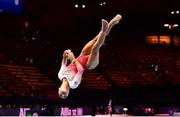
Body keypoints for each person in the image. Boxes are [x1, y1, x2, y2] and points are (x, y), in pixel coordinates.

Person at [58, 14, 122, 99]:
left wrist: (64, 55)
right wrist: (73, 59)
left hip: (82, 56)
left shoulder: (60, 75)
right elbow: (80, 70)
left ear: (59, 89)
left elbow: (64, 63)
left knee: (96, 39)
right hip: (89, 64)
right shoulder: (73, 84)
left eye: (60, 95)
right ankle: (104, 29)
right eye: (65, 95)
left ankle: (113, 23)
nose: (63, 95)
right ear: (68, 92)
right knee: (95, 47)